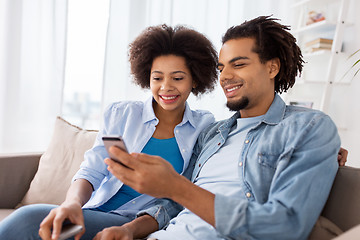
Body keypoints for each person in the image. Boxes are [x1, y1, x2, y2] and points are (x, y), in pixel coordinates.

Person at [100, 16, 342, 240]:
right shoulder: (212, 134)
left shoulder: (307, 128)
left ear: (272, 68)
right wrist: (128, 230)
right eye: (221, 68)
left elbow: (286, 225)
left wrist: (176, 186)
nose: (224, 76)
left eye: (238, 64)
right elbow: (175, 204)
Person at [0, 24, 218, 240]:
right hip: (93, 212)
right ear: (147, 77)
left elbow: (181, 197)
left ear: (195, 79)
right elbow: (92, 169)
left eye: (177, 78)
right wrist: (71, 204)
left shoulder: (203, 127)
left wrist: (131, 229)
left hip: (134, 222)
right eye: (157, 78)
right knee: (46, 230)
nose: (166, 87)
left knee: (28, 221)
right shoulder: (121, 114)